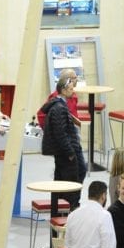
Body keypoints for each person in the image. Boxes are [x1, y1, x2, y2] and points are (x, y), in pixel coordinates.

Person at [40, 73, 86, 216]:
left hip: (66, 151)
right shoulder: (59, 108)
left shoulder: (59, 105)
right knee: (68, 183)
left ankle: (62, 210)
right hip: (66, 153)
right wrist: (71, 153)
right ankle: (68, 210)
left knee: (62, 180)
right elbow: (61, 134)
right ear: (64, 90)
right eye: (71, 88)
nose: (73, 90)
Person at [65, 180, 116, 248]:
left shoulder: (73, 214)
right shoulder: (104, 215)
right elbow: (108, 245)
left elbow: (68, 243)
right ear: (103, 196)